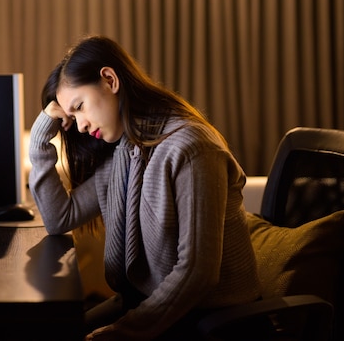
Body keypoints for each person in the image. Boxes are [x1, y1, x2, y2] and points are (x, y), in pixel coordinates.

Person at [28, 35, 261, 340]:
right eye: (72, 117)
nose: (81, 125)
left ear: (110, 80)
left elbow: (196, 275)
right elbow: (59, 218)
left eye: (80, 107)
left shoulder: (191, 148)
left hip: (210, 322)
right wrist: (40, 140)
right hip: (148, 307)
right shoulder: (125, 153)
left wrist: (122, 331)